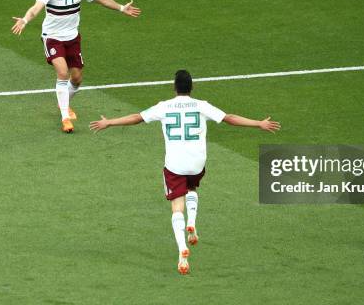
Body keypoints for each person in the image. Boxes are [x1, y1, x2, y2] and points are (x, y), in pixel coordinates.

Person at [89, 70, 281, 274]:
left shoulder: (164, 106)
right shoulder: (201, 105)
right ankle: (192, 224)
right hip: (197, 163)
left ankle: (182, 251)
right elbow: (229, 118)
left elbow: (137, 117)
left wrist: (109, 122)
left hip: (175, 165)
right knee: (192, 187)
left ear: (174, 87)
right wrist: (258, 123)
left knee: (176, 207)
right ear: (192, 87)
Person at [11, 0, 140, 133]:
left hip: (72, 38)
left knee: (77, 79)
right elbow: (36, 8)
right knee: (62, 72)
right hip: (53, 38)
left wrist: (121, 7)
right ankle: (65, 117)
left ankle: (63, 103)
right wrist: (25, 20)